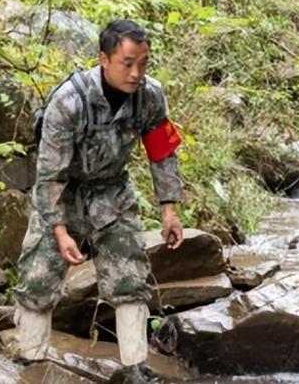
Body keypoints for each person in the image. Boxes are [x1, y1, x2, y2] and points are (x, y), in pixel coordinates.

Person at [13, 19, 185, 384]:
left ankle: (136, 367)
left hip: (112, 193)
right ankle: (31, 361)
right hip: (63, 194)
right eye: (127, 63)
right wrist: (59, 232)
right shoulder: (69, 102)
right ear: (103, 58)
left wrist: (169, 210)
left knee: (130, 276)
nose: (136, 73)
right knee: (38, 278)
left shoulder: (150, 96)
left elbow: (162, 152)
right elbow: (50, 175)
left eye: (144, 63)